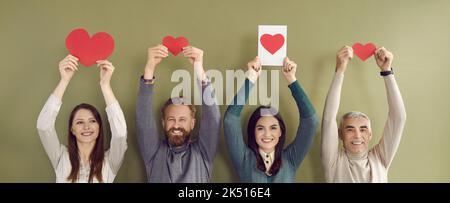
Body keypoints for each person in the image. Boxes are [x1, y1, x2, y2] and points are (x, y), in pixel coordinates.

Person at [223, 56, 318, 182]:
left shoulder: (291, 158)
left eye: (273, 128)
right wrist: (251, 77)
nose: (267, 134)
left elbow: (311, 122)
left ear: (281, 132)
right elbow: (230, 121)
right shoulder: (244, 158)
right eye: (260, 128)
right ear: (253, 132)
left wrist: (291, 80)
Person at [321, 46, 407, 182]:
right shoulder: (333, 162)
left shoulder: (380, 158)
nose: (357, 135)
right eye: (350, 129)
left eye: (363, 129)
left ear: (370, 134)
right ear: (340, 134)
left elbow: (399, 118)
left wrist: (387, 72)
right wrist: (340, 70)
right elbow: (328, 119)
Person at [36, 55, 127, 183]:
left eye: (92, 121)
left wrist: (105, 85)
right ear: (72, 129)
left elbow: (120, 133)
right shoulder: (61, 157)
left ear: (99, 127)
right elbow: (43, 126)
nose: (87, 127)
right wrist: (64, 81)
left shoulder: (110, 161)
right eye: (79, 122)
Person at [136, 45, 220, 183]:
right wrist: (149, 68)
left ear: (192, 123)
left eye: (182, 119)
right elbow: (143, 120)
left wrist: (199, 70)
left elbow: (213, 119)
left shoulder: (203, 152)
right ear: (163, 122)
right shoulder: (154, 153)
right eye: (171, 119)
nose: (176, 125)